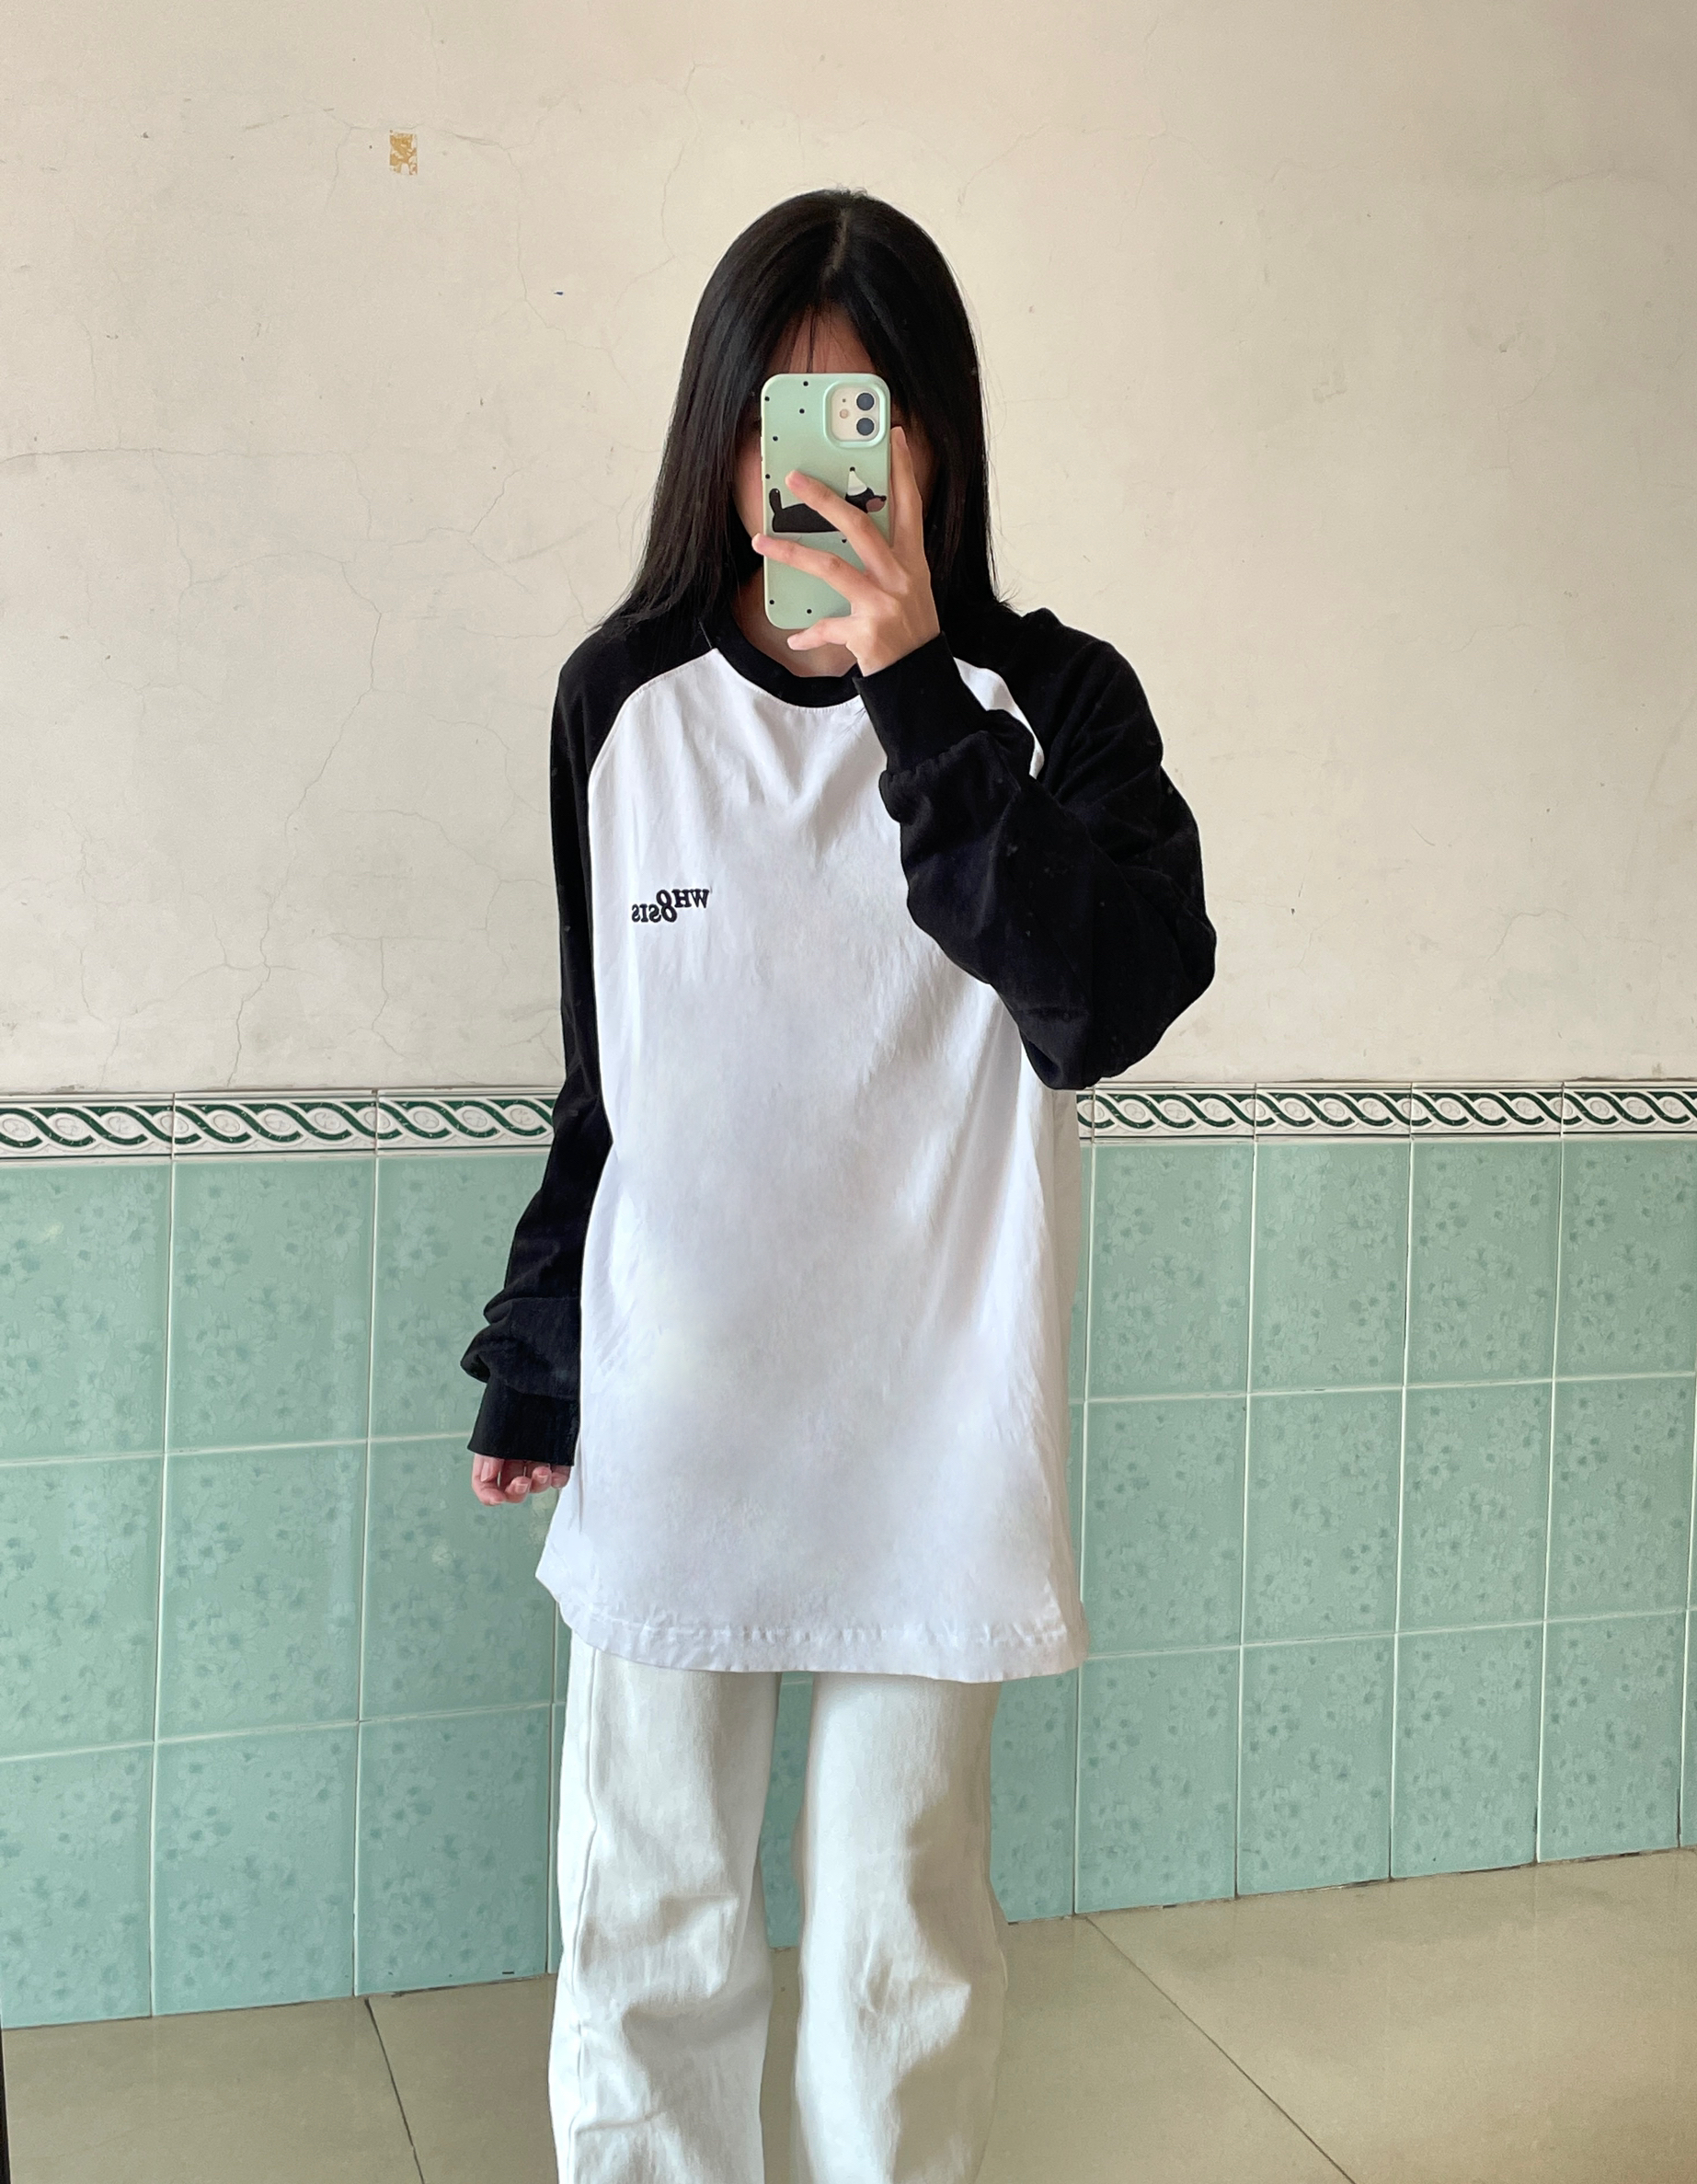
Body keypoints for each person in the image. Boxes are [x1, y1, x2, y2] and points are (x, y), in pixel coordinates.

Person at [460, 188, 1215, 2184]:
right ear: (715, 439)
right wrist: (539, 1354)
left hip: (935, 1419)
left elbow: (1097, 1007)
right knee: (647, 1923)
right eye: (772, 420)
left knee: (900, 1945)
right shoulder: (620, 699)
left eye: (861, 421)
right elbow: (608, 1076)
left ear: (933, 440)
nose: (810, 473)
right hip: (677, 1399)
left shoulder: (1057, 702)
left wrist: (912, 689)